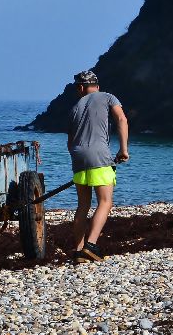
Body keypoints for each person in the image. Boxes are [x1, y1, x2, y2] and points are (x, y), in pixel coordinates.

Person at [68, 70, 129, 263]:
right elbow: (121, 119)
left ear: (80, 87)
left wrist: (78, 157)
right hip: (99, 155)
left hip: (78, 157)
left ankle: (78, 251)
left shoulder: (75, 107)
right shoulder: (109, 97)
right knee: (105, 202)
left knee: (83, 206)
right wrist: (123, 149)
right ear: (97, 86)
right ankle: (91, 245)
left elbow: (70, 142)